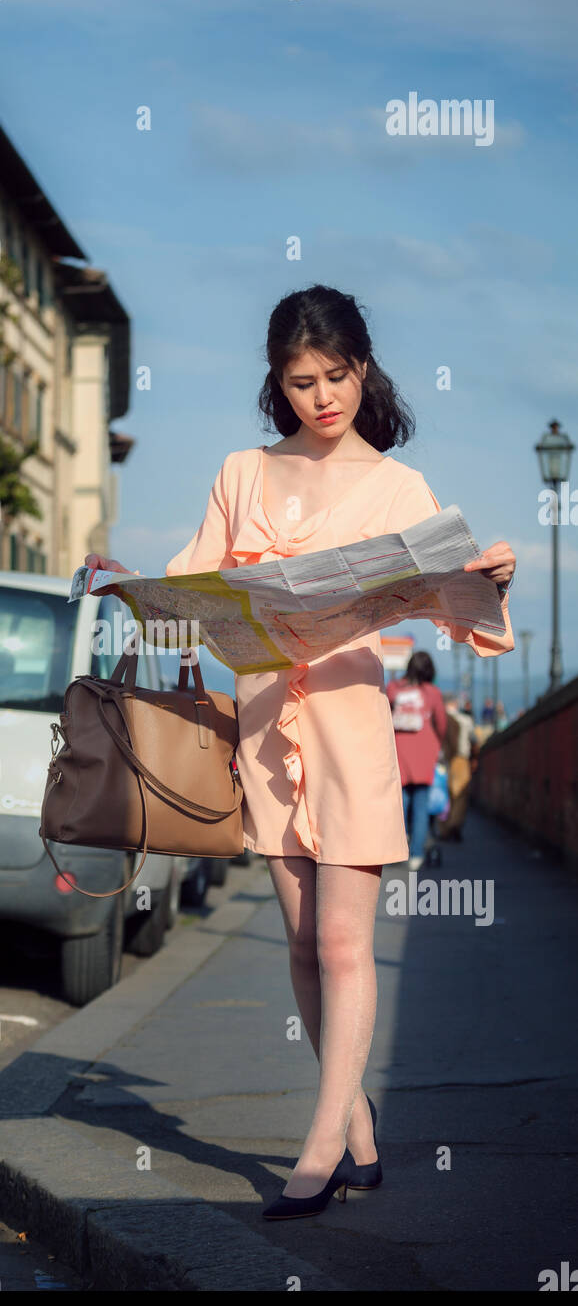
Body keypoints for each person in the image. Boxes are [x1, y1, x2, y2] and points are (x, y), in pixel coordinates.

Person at [84, 284, 516, 1220]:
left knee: (342, 938)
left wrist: (492, 579)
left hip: (353, 726)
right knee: (300, 943)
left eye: (336, 377)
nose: (322, 398)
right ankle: (356, 1122)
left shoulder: (403, 489)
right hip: (265, 725)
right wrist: (132, 582)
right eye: (301, 381)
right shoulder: (243, 472)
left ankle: (321, 1142)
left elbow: (466, 620)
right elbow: (194, 587)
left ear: (364, 367)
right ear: (277, 383)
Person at [386, 651, 447, 870]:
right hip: (424, 753)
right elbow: (441, 724)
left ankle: (395, 850)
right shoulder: (432, 693)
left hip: (398, 750)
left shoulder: (393, 689)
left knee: (400, 804)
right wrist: (439, 746)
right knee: (421, 806)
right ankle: (416, 855)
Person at [438, 692, 477, 841]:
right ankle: (455, 823)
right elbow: (474, 740)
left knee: (443, 794)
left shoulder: (439, 719)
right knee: (460, 794)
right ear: (454, 703)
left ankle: (443, 828)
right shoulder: (465, 720)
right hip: (461, 759)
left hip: (442, 761)